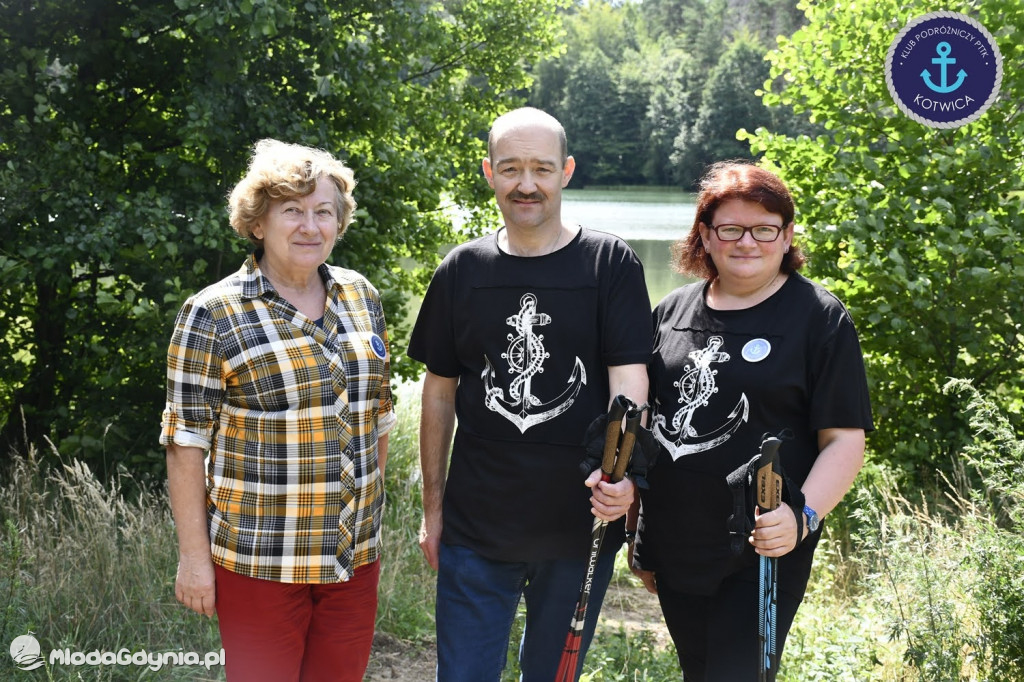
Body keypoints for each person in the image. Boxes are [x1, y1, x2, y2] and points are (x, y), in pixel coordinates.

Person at [407, 107, 652, 681]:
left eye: (541, 168)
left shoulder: (609, 263)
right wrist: (433, 513)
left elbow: (629, 381)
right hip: (475, 528)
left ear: (565, 171)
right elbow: (438, 396)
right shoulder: (462, 270)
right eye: (511, 168)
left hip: (578, 524)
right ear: (489, 172)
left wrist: (624, 474)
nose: (526, 184)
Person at [160, 139, 397, 682]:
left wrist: (369, 518)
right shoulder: (213, 313)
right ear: (258, 223)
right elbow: (185, 443)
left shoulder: (361, 298)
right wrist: (194, 560)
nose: (310, 226)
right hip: (260, 562)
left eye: (323, 212)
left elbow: (378, 418)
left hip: (352, 562)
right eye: (292, 210)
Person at [630, 161, 872, 680]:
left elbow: (844, 440)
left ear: (786, 236)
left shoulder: (819, 319)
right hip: (676, 541)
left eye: (765, 229)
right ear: (705, 235)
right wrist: (638, 532)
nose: (747, 242)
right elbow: (647, 425)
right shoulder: (671, 313)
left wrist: (802, 517)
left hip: (764, 545)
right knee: (699, 670)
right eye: (731, 229)